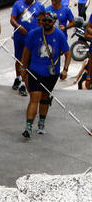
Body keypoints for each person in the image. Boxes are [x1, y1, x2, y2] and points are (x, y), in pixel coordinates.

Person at [20, 9, 71, 137]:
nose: (46, 23)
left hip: (51, 74)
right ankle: (28, 126)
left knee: (45, 97)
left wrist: (65, 69)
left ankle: (41, 122)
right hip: (35, 71)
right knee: (34, 97)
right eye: (44, 20)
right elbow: (26, 52)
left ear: (54, 22)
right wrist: (23, 68)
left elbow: (68, 52)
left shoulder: (59, 35)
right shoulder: (34, 34)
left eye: (49, 21)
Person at [9, 0, 45, 95]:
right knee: (19, 59)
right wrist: (18, 27)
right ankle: (18, 78)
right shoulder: (18, 4)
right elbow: (12, 19)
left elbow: (43, 21)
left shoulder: (39, 6)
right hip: (20, 37)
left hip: (33, 39)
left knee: (29, 60)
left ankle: (24, 84)